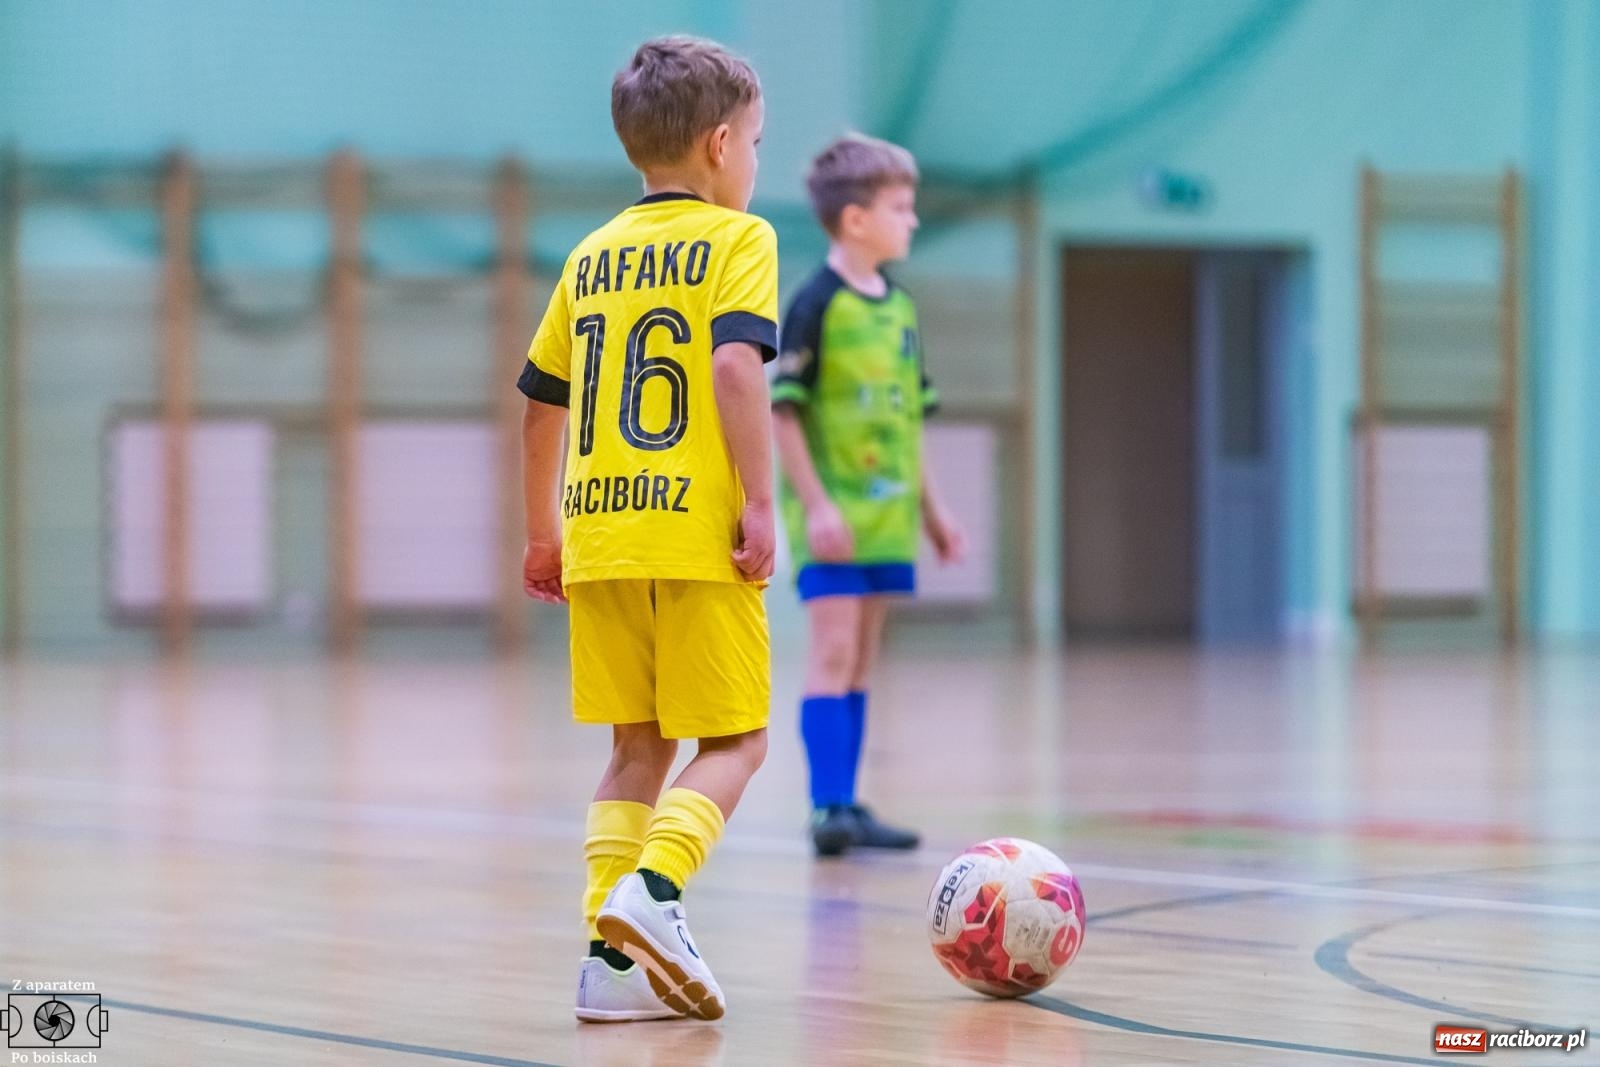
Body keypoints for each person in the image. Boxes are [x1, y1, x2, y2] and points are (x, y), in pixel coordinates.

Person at [518, 35, 778, 1022]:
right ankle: (654, 891)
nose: (753, 159)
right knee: (738, 738)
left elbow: (540, 405)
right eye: (755, 140)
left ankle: (607, 966)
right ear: (719, 144)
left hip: (599, 536)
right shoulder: (737, 240)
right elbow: (729, 368)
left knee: (636, 746)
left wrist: (541, 534)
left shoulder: (590, 254)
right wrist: (757, 500)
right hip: (692, 532)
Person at [772, 133, 966, 858]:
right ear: (856, 219)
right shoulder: (816, 303)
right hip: (834, 515)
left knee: (862, 658)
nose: (912, 221)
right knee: (833, 649)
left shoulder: (902, 309)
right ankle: (826, 807)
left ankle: (849, 800)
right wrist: (817, 505)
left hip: (888, 518)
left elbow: (910, 420)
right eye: (902, 208)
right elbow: (783, 410)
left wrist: (934, 510)